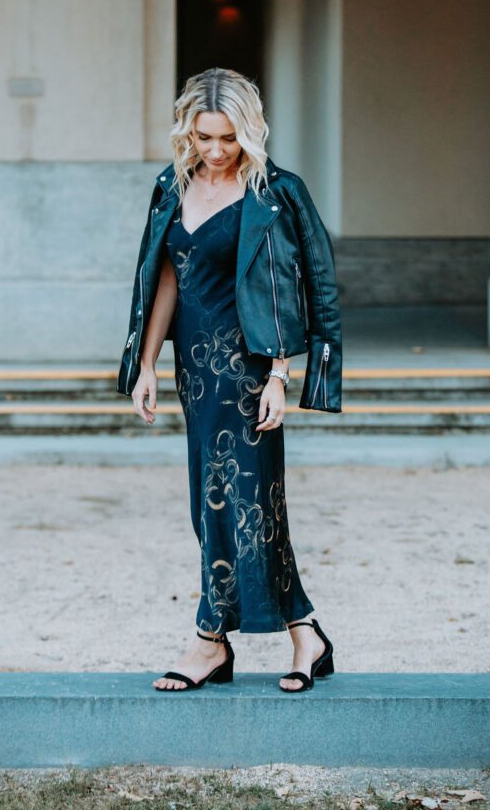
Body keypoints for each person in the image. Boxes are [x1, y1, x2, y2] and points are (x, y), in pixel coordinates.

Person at [117, 67, 343, 693]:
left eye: (228, 138)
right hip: (196, 371)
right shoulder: (174, 184)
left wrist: (280, 376)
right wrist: (146, 365)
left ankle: (208, 641)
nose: (217, 150)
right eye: (205, 136)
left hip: (246, 371)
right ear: (188, 131)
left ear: (250, 131)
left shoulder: (274, 192)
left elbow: (293, 287)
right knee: (225, 502)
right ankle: (306, 634)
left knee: (239, 503)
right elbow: (167, 278)